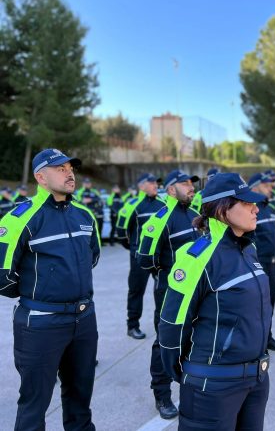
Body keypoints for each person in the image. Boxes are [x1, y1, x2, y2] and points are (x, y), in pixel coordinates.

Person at [159, 173, 271, 431]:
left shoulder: (247, 249)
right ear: (222, 209)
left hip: (255, 379)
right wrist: (190, 374)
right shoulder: (196, 256)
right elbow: (172, 323)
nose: (256, 208)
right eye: (246, 203)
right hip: (214, 385)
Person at [0, 148, 100, 430]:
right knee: (34, 405)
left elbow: (92, 256)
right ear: (41, 177)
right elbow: (2, 275)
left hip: (84, 320)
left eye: (71, 168)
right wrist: (40, 295)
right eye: (60, 168)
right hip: (41, 324)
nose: (69, 173)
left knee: (80, 402)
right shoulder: (20, 218)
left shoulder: (84, 215)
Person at [135, 170, 200, 420]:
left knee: (194, 338)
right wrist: (169, 274)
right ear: (171, 189)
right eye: (185, 184)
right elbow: (145, 260)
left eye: (192, 183)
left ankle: (191, 386)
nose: (191, 187)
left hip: (198, 290)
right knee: (165, 340)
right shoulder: (159, 219)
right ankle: (162, 395)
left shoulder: (197, 216)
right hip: (170, 291)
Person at [117, 173, 165, 339]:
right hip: (139, 257)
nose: (155, 185)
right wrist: (134, 249)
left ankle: (162, 327)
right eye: (151, 183)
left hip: (159, 258)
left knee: (161, 292)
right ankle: (132, 326)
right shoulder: (132, 205)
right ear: (141, 186)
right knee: (136, 291)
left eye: (156, 183)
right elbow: (122, 233)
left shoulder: (163, 204)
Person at [249, 172, 275, 351]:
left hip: (271, 263)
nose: (271, 187)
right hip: (258, 264)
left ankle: (267, 337)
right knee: (257, 306)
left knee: (270, 302)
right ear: (255, 188)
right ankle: (257, 343)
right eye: (266, 185)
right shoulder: (249, 209)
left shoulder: (268, 207)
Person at [76, 178, 105, 244]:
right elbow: (81, 201)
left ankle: (99, 242)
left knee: (98, 227)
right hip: (86, 214)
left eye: (88, 183)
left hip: (97, 212)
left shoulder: (94, 191)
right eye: (86, 183)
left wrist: (90, 200)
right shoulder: (80, 191)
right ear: (83, 184)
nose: (87, 184)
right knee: (88, 229)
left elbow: (100, 199)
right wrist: (93, 200)